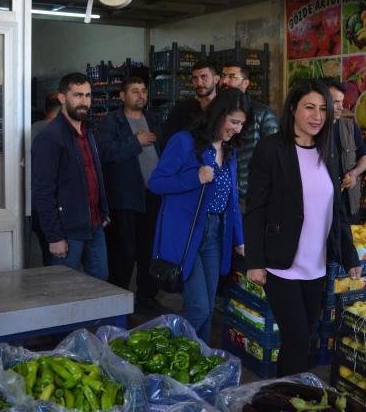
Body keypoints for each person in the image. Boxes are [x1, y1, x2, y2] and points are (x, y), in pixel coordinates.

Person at [244, 79, 362, 376]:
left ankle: (284, 395)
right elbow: (255, 208)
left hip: (316, 266)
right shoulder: (271, 148)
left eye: (323, 109)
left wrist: (350, 256)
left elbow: (337, 209)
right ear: (293, 108)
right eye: (309, 107)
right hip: (281, 264)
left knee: (301, 339)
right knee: (297, 339)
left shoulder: (328, 149)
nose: (317, 116)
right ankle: (291, 398)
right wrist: (255, 262)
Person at [148, 88, 248, 341]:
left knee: (206, 307)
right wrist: (195, 178)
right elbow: (157, 183)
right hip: (188, 233)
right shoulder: (184, 141)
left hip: (216, 234)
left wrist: (239, 240)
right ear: (218, 115)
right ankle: (160, 345)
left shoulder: (229, 151)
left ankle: (199, 365)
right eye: (234, 122)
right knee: (200, 308)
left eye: (242, 124)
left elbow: (232, 200)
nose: (237, 129)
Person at [32, 73, 109, 280]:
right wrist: (54, 236)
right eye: (77, 95)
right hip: (67, 232)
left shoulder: (89, 132)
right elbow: (43, 191)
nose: (84, 102)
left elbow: (94, 175)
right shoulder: (49, 138)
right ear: (62, 98)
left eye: (87, 95)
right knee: (65, 291)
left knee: (101, 286)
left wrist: (103, 210)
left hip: (93, 226)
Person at [96, 76, 163, 310]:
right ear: (122, 96)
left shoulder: (153, 119)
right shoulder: (111, 122)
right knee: (124, 252)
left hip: (153, 196)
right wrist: (136, 141)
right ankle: (118, 299)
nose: (141, 95)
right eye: (135, 91)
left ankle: (146, 297)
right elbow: (104, 153)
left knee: (149, 250)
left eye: (143, 90)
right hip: (124, 198)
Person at [218, 61, 278, 209]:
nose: (225, 81)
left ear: (245, 84)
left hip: (249, 196)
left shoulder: (262, 113)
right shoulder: (215, 112)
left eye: (232, 76)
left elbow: (276, 156)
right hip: (220, 192)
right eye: (223, 76)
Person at [325, 79, 366, 217]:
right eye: (335, 102)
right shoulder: (315, 131)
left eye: (342, 101)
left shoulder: (350, 127)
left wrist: (355, 173)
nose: (341, 107)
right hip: (324, 202)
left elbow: (365, 157)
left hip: (348, 201)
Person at [31, 91, 62, 266]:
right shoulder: (54, 131)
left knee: (46, 247)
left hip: (35, 200)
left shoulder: (35, 128)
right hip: (52, 201)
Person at [160, 59, 220, 149]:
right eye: (195, 78)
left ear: (216, 79)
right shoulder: (181, 108)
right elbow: (168, 141)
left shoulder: (224, 105)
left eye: (204, 77)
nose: (199, 83)